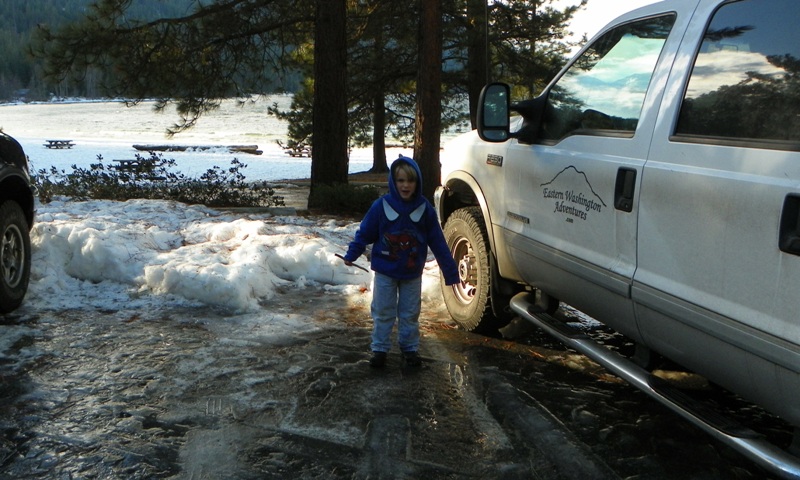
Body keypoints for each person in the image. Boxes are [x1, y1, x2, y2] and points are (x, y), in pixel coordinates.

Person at [342, 155, 460, 368]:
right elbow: (365, 233)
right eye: (401, 180)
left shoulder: (425, 209)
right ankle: (379, 350)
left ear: (418, 183)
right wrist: (352, 254)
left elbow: (438, 243)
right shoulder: (381, 206)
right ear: (393, 182)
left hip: (411, 274)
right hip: (385, 272)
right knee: (383, 311)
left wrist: (450, 271)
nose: (406, 185)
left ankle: (410, 349)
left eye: (410, 181)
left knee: (409, 313)